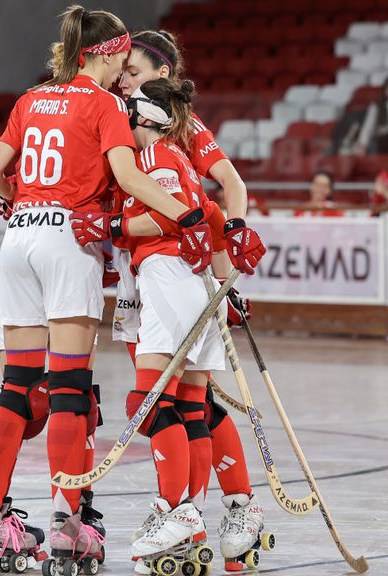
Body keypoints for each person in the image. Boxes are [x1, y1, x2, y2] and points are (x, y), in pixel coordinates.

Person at [0, 6, 212, 574]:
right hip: (67, 239)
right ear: (103, 53)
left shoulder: (30, 99)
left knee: (19, 383)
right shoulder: (102, 105)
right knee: (72, 388)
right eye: (123, 56)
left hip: (19, 236)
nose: (128, 65)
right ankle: (67, 525)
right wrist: (189, 216)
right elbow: (128, 177)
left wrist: (18, 195)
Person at [112, 29, 268, 572]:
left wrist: (228, 260)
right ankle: (205, 509)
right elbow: (202, 208)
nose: (123, 76)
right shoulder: (129, 120)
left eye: (131, 69)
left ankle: (185, 508)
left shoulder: (166, 129)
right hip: (168, 266)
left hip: (166, 263)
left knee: (162, 397)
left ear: (160, 74)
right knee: (185, 398)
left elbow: (209, 194)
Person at [72, 77, 226, 574]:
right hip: (190, 281)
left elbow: (167, 219)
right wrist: (228, 271)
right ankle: (188, 522)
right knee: (188, 406)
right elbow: (209, 212)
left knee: (147, 400)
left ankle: (173, 510)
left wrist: (109, 227)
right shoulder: (174, 157)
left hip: (168, 276)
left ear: (142, 119)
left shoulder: (154, 158)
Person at [346, 75, 388, 156]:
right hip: (377, 140)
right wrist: (363, 144)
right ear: (385, 90)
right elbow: (368, 126)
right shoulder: (376, 106)